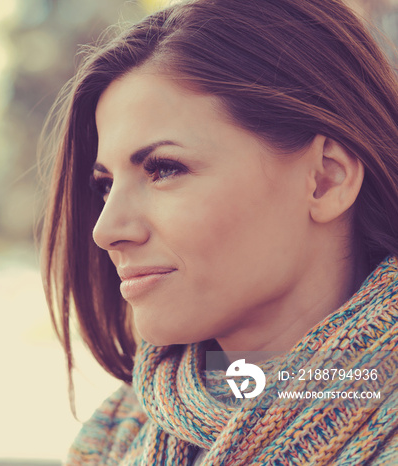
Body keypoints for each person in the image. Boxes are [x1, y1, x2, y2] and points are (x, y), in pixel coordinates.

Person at [39, 0, 398, 464]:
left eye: (164, 169)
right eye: (105, 186)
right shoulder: (111, 436)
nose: (105, 230)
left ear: (327, 178)